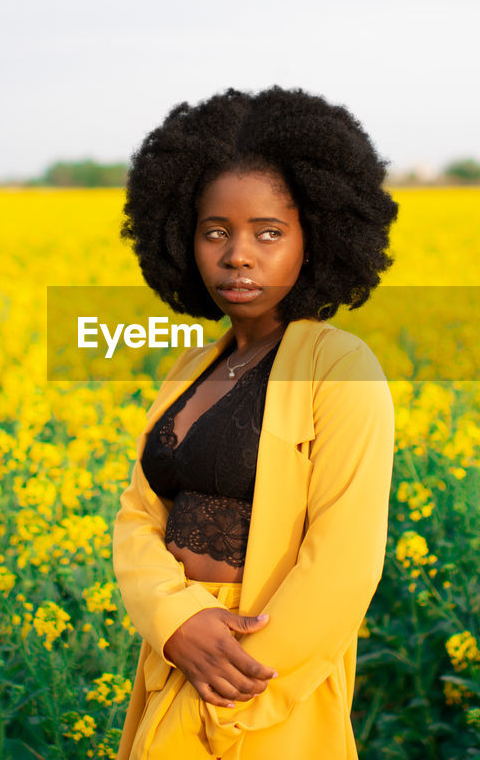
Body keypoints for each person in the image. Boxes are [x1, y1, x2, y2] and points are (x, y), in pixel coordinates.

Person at [113, 86, 398, 759]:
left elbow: (345, 564)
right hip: (175, 661)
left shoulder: (339, 367)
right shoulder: (188, 371)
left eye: (268, 232)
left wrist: (236, 694)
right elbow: (137, 518)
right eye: (216, 232)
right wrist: (175, 621)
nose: (237, 254)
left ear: (316, 237)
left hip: (268, 692)